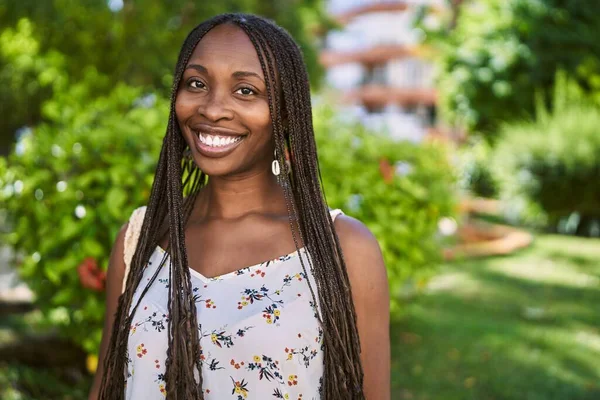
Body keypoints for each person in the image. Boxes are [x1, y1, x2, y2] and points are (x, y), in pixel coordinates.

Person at [89, 13, 389, 400]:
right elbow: (107, 388)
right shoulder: (141, 239)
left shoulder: (343, 248)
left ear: (284, 113)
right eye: (196, 83)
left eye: (246, 91)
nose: (213, 109)